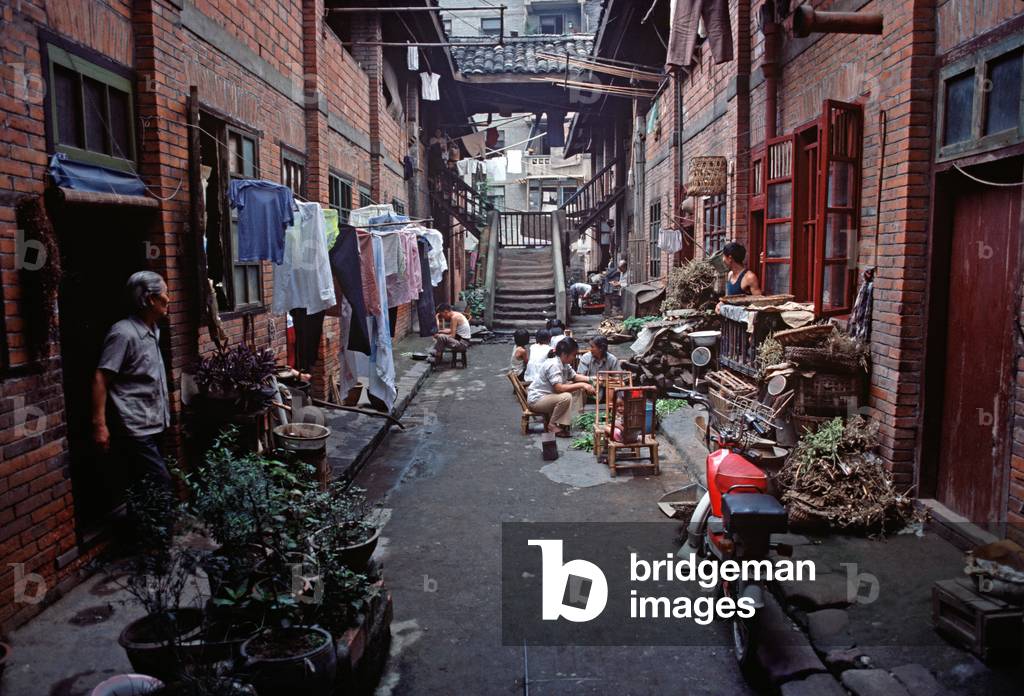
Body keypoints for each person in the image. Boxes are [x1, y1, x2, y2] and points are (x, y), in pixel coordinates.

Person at [93, 271, 172, 499]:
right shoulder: (123, 333)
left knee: (143, 486)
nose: (169, 298)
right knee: (160, 483)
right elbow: (101, 377)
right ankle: (156, 534)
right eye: (165, 293)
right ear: (150, 299)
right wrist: (99, 425)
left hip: (155, 422)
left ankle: (143, 531)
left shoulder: (153, 331)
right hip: (135, 426)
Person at [527, 337, 596, 437]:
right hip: (537, 400)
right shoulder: (553, 364)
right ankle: (552, 424)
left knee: (579, 390)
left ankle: (569, 422)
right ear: (564, 354)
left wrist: (592, 379)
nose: (574, 357)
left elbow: (574, 376)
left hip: (550, 397)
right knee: (566, 397)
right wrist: (583, 384)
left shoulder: (564, 364)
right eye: (573, 355)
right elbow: (559, 388)